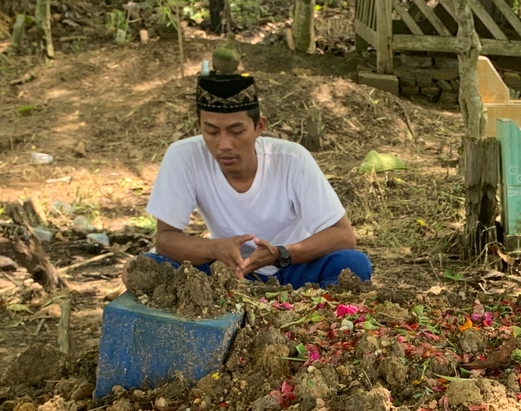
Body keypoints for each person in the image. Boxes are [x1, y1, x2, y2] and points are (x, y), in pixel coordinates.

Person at [138, 73, 371, 287]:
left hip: (291, 270)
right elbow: (166, 239)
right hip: (225, 271)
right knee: (142, 269)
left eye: (236, 131)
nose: (224, 144)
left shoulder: (291, 159)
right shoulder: (183, 156)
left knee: (353, 265)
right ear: (199, 127)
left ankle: (302, 310)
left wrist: (281, 254)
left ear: (259, 126)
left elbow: (343, 236)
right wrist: (214, 248)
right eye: (211, 132)